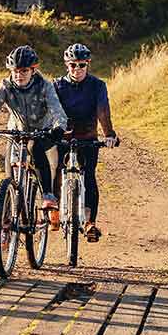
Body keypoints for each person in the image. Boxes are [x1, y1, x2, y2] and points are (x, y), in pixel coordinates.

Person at [0, 45, 68, 214]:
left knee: (36, 149)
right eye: (15, 71)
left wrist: (59, 127)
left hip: (42, 131)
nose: (18, 75)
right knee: (9, 181)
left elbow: (57, 110)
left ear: (33, 70)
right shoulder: (6, 86)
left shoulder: (45, 86)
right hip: (17, 132)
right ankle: (7, 224)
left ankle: (48, 195)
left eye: (23, 71)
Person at [54, 43, 119, 242]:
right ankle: (54, 211)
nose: (77, 69)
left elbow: (102, 109)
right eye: (73, 65)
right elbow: (51, 110)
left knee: (89, 176)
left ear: (88, 64)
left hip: (88, 138)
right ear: (67, 65)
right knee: (56, 170)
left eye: (82, 65)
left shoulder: (97, 85)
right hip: (62, 136)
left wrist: (109, 134)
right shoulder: (56, 85)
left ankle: (90, 222)